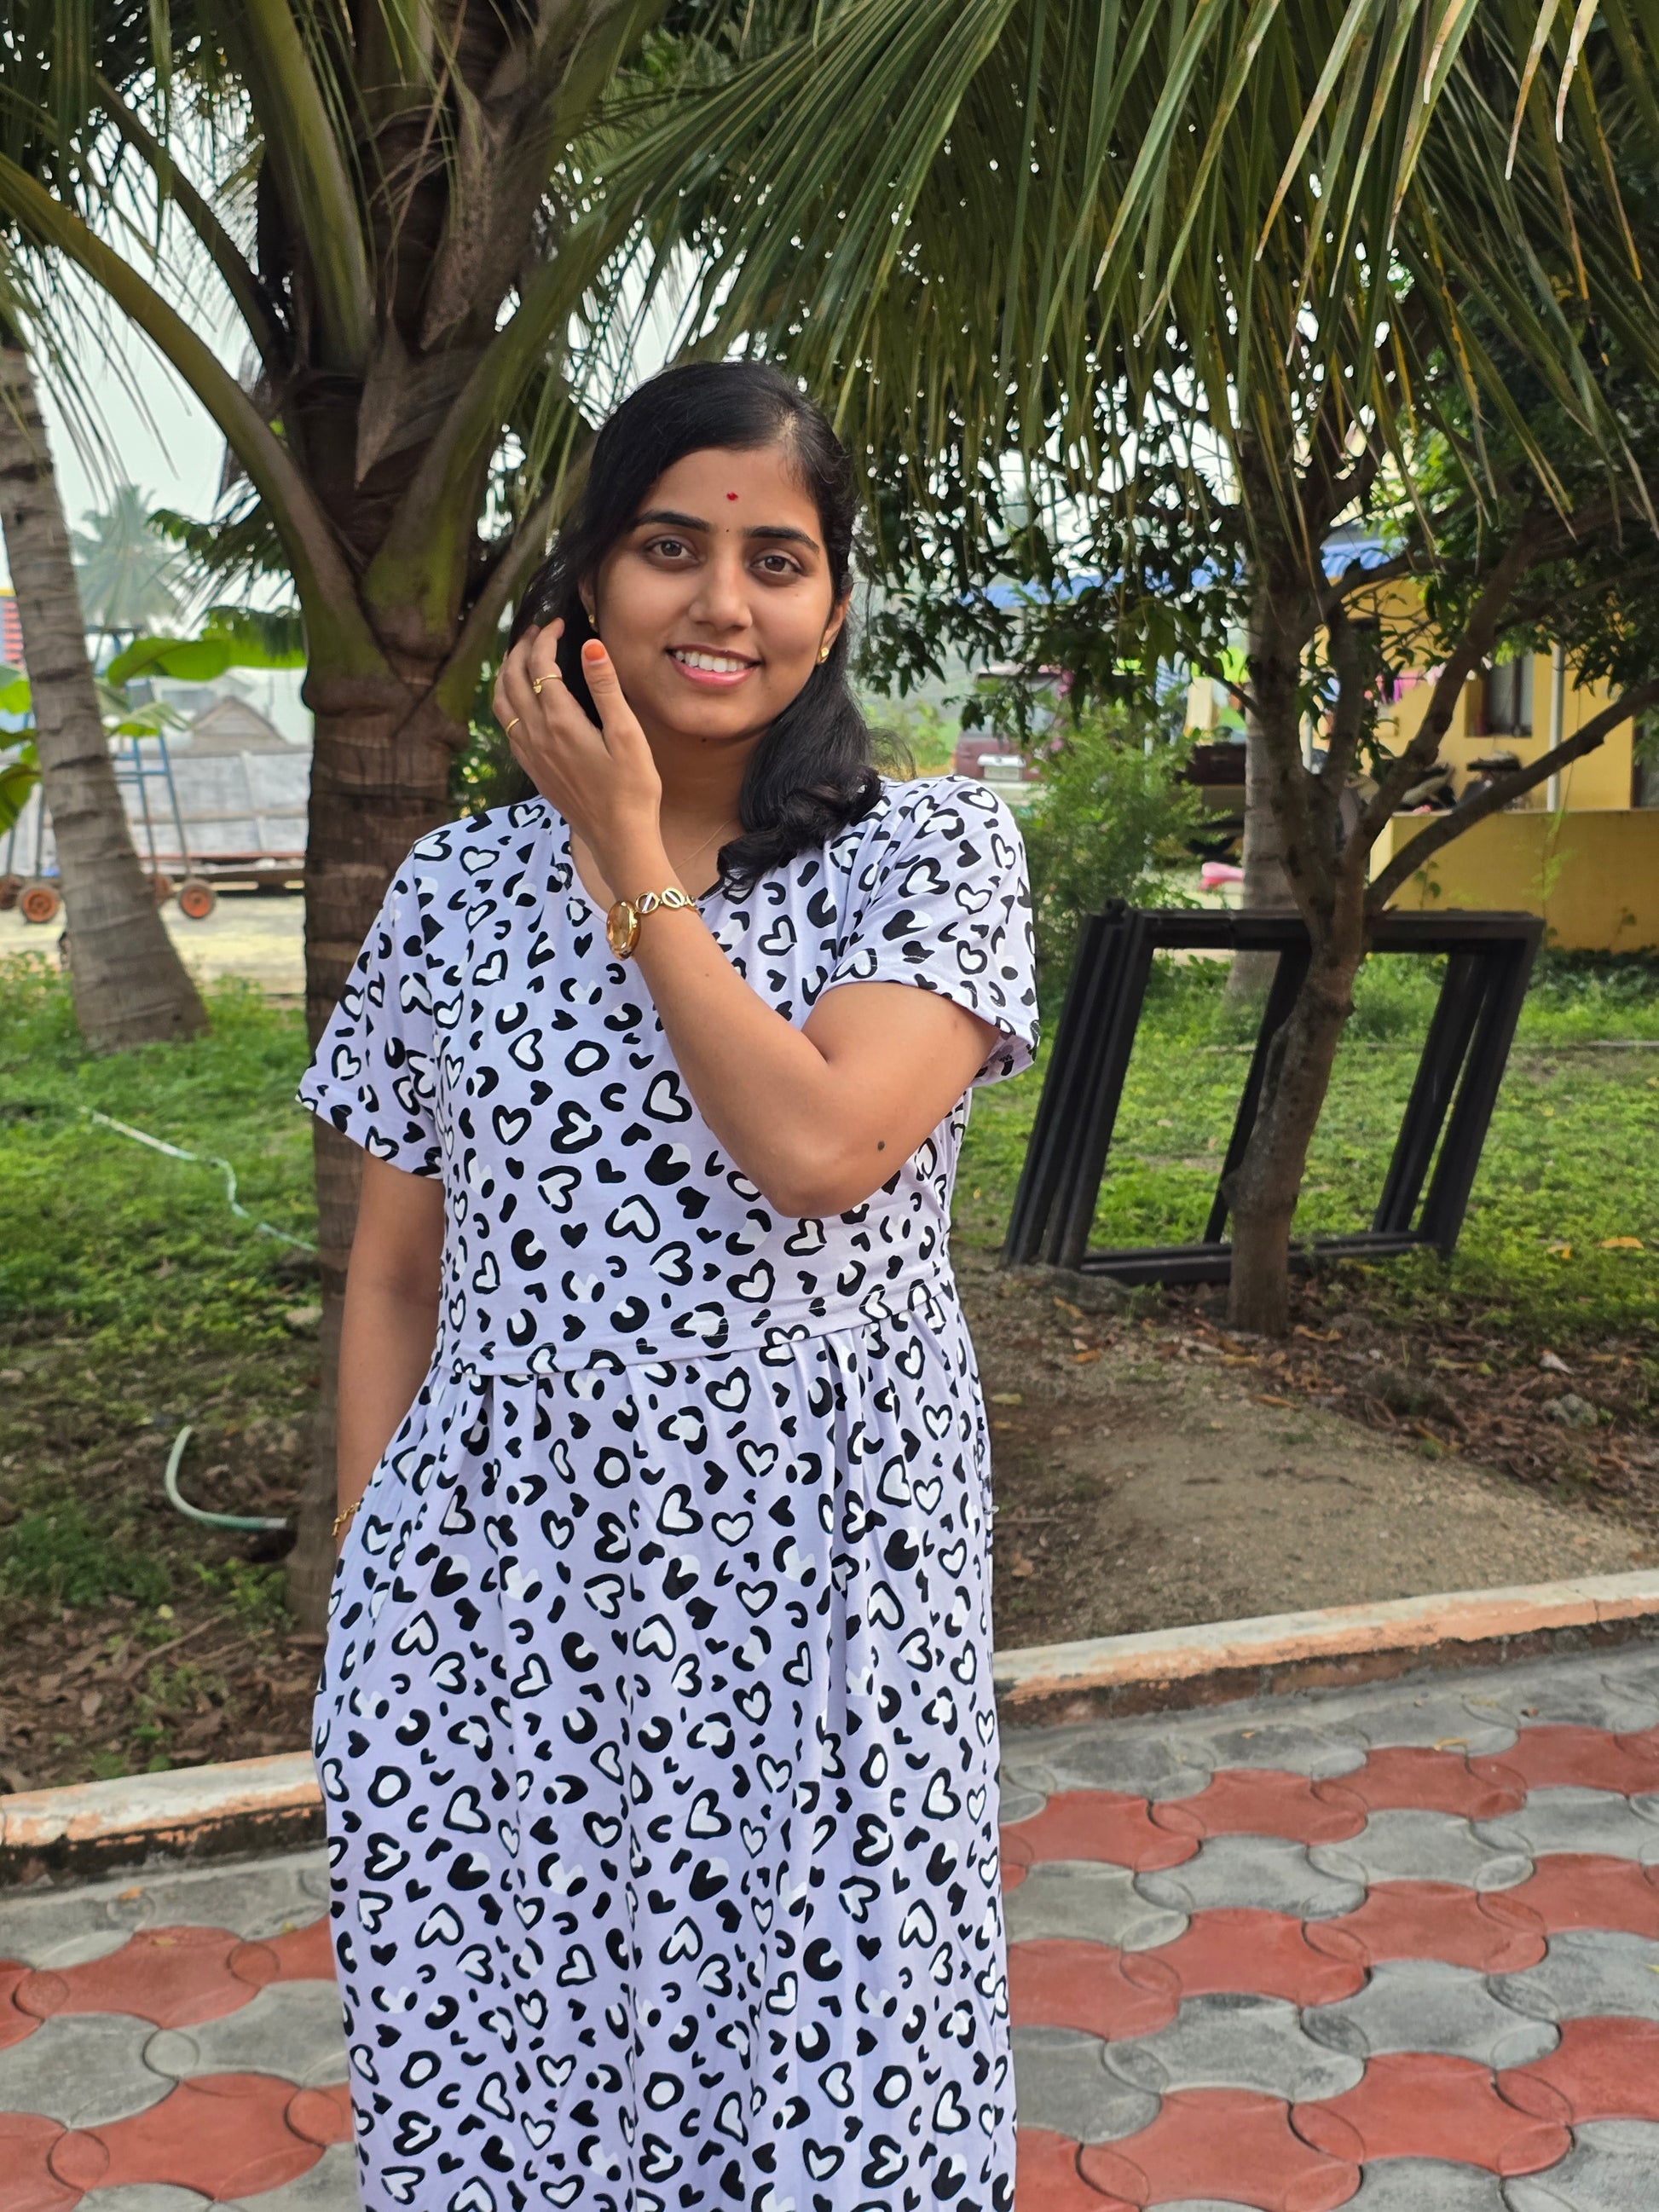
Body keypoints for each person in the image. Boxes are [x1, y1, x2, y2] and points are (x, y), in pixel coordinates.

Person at [299, 358, 1038, 2212]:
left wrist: (630, 856)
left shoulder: (929, 854)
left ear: (833, 608)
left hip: (823, 1598)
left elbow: (822, 1148)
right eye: (667, 547)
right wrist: (378, 1585)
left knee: (832, 2083)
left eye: (776, 559)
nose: (722, 601)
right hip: (499, 1605)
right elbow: (394, 1272)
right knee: (514, 2093)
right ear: (587, 585)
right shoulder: (454, 893)